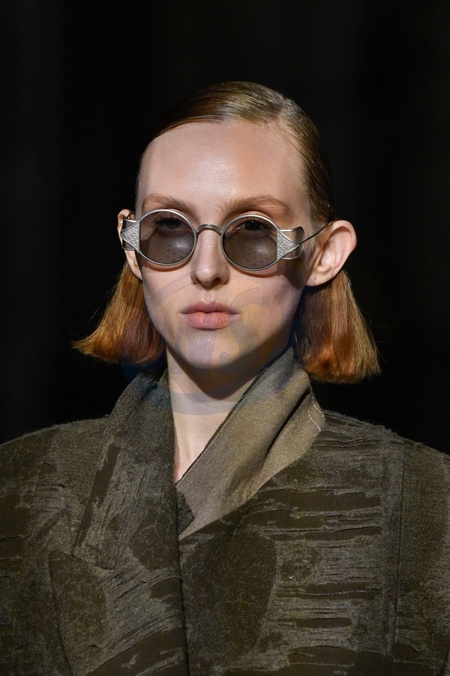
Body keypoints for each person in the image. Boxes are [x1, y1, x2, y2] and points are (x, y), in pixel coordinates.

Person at [1, 82, 449, 675]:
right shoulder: (20, 490)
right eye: (170, 228)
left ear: (324, 253)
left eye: (253, 231)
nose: (206, 269)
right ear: (132, 248)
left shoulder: (428, 507)